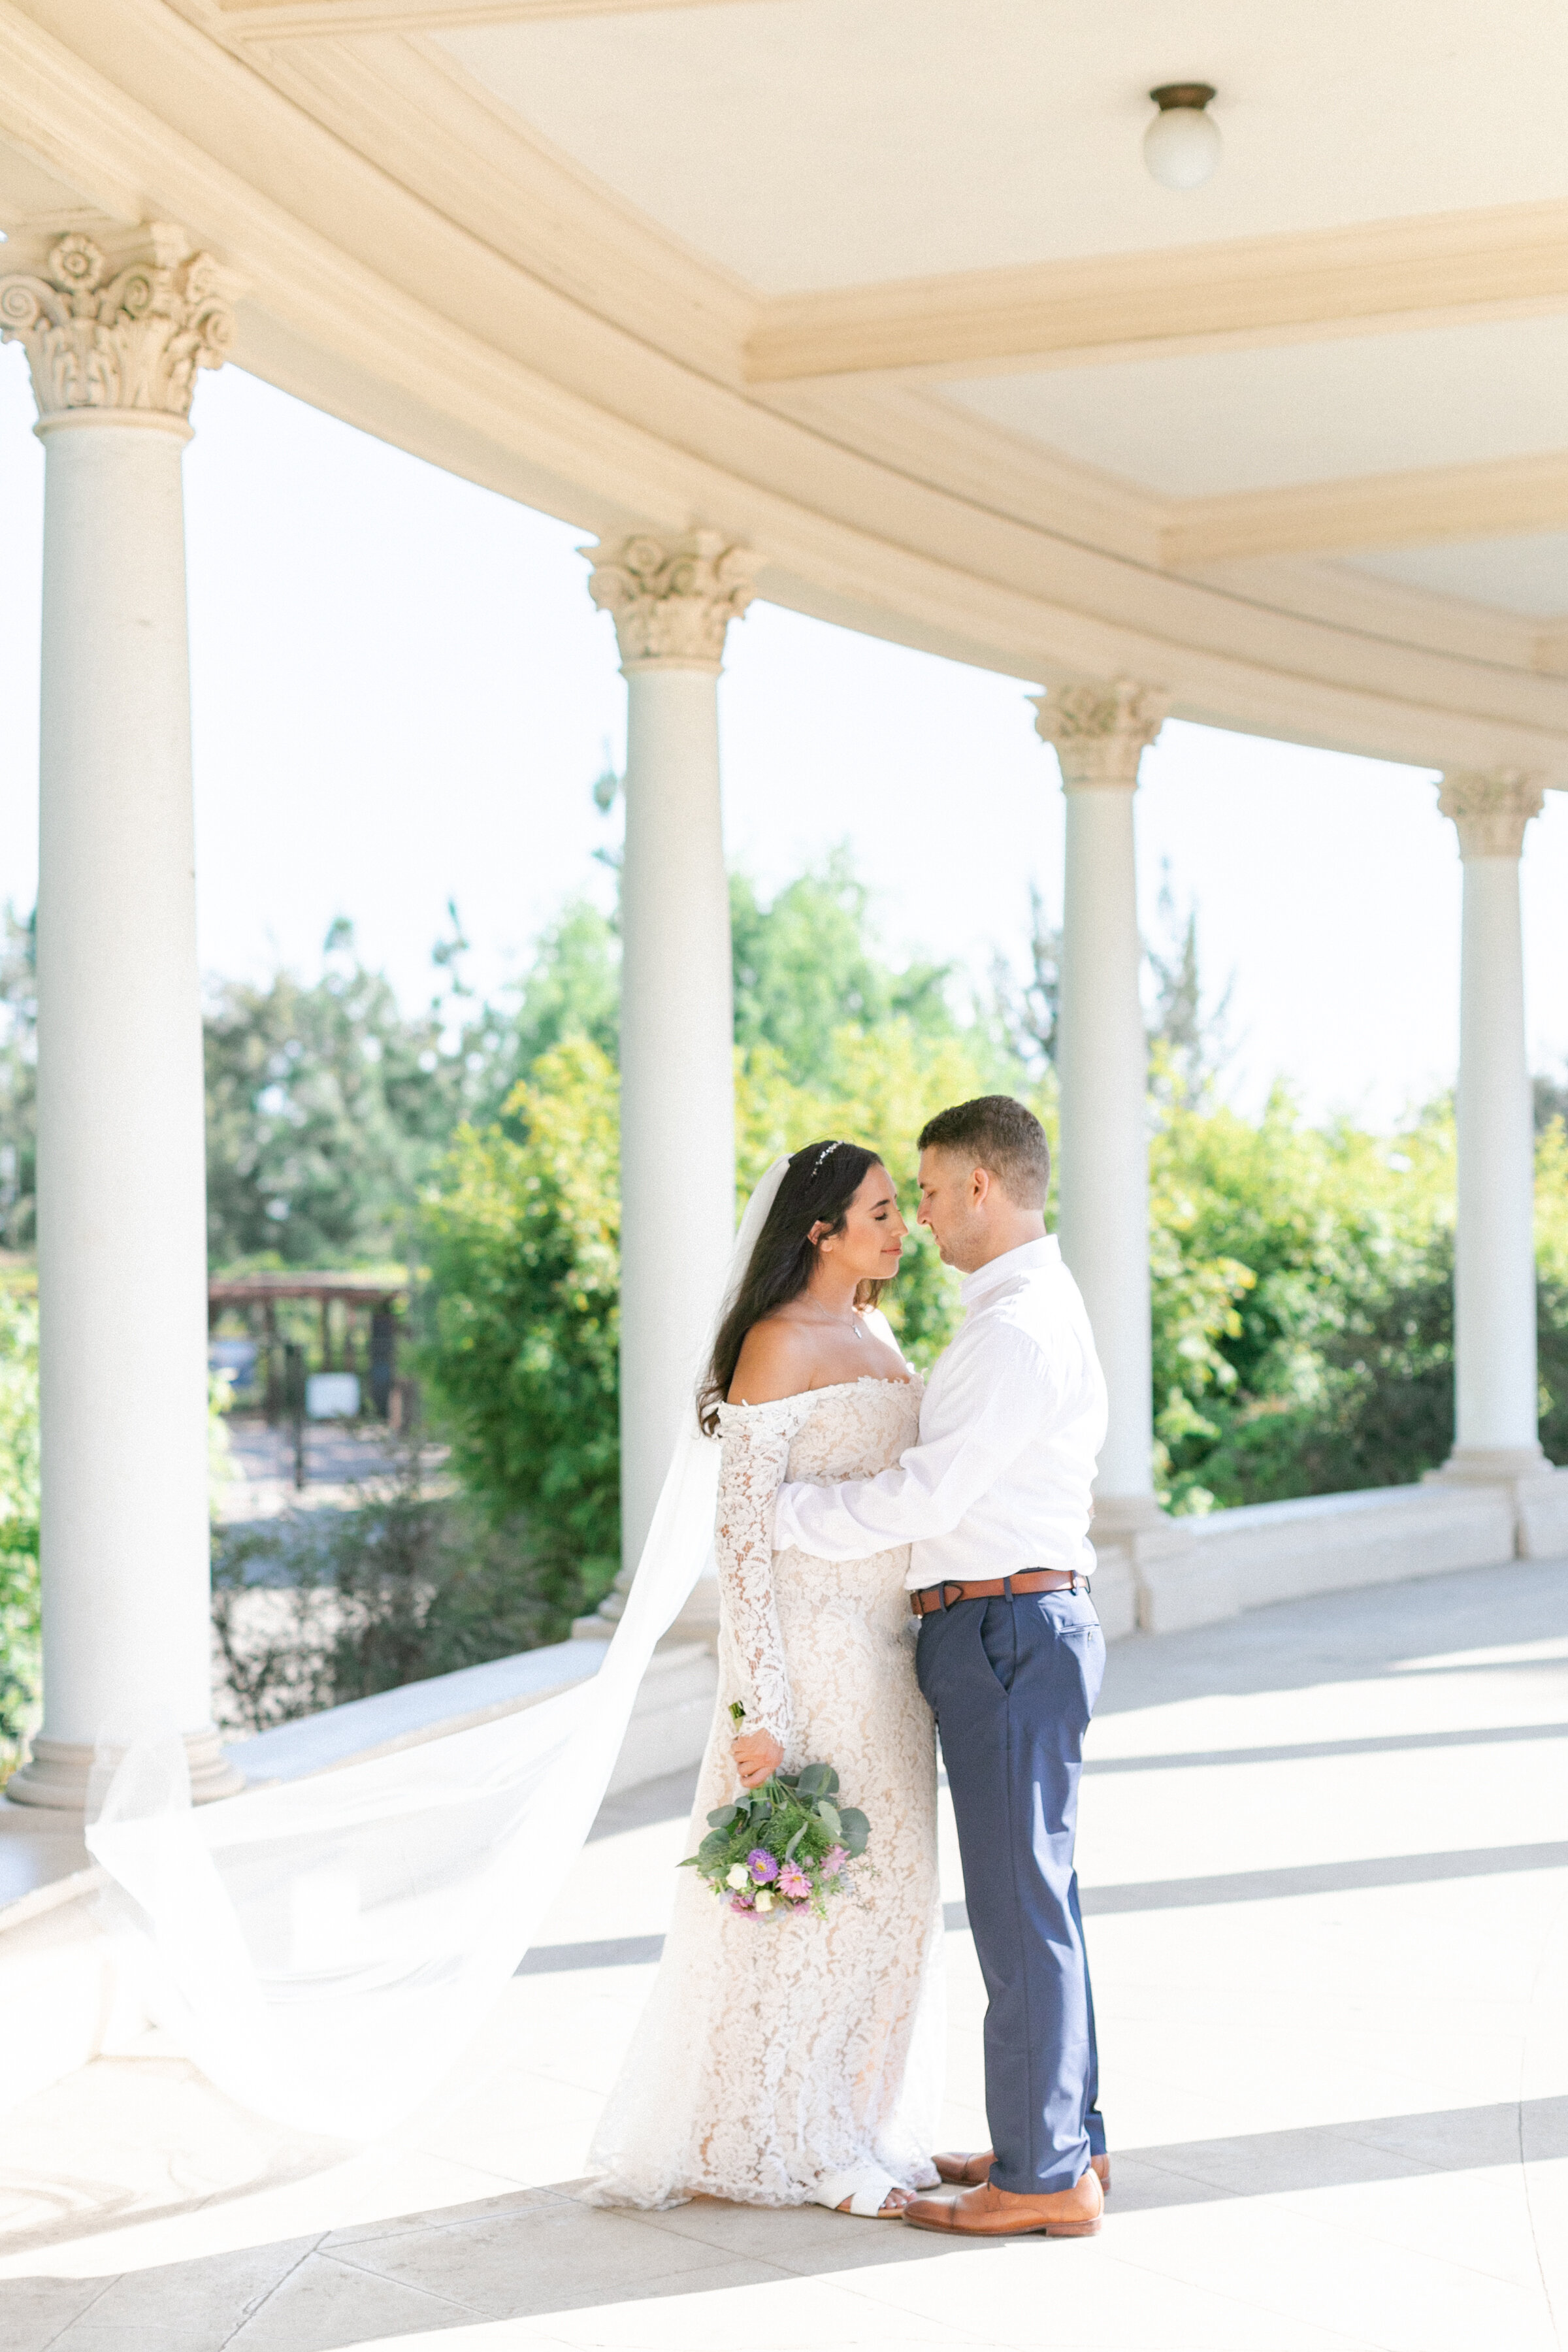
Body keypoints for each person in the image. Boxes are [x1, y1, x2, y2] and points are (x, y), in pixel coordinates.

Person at [585, 1141, 945, 2219]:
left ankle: (859, 2116)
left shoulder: (878, 1327)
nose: (899, 1228)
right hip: (815, 1660)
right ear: (818, 1231)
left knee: (894, 1897)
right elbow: (740, 1545)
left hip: (897, 1659)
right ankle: (794, 2139)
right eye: (879, 1212)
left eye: (897, 1209)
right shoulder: (776, 1345)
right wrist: (764, 1713)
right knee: (817, 1902)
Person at [773, 1095, 1110, 2240]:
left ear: (979, 1186)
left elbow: (931, 1496)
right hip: (1015, 1626)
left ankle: (1044, 2177)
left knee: (1022, 1907)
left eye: (923, 1188)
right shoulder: (1020, 1309)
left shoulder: (1014, 1328)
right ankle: (1060, 2138)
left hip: (1007, 1631)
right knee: (1039, 1898)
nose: (914, 1212)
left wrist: (794, 1514)